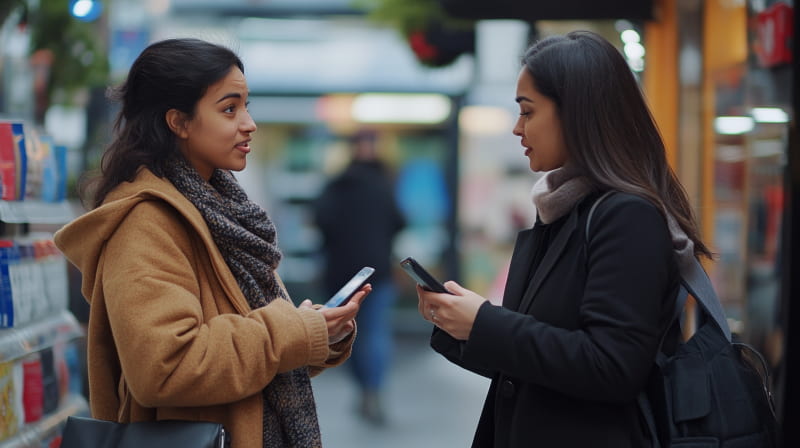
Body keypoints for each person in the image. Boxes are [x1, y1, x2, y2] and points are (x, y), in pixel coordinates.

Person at [54, 38, 369, 448]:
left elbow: (255, 358)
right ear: (179, 122)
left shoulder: (223, 212)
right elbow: (165, 367)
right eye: (229, 109)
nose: (249, 123)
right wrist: (294, 330)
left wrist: (316, 332)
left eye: (246, 106)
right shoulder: (146, 222)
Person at [415, 30, 713, 447]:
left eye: (528, 111)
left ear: (576, 113)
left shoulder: (627, 216)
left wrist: (484, 322)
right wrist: (461, 326)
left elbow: (613, 367)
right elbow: (539, 364)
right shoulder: (565, 209)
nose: (517, 128)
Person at [313, 131, 406, 425]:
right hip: (376, 272)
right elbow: (400, 222)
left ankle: (364, 388)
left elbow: (320, 222)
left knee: (345, 332)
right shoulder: (384, 184)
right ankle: (372, 390)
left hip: (340, 274)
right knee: (375, 333)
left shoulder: (335, 185)